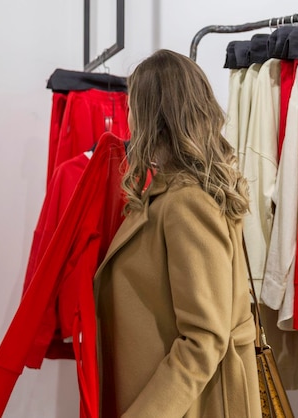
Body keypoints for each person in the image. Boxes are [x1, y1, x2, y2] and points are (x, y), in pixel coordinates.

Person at [93, 49, 262, 418]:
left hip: (189, 405)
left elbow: (204, 338)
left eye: (133, 106)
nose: (129, 118)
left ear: (153, 116)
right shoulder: (176, 191)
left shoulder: (187, 202)